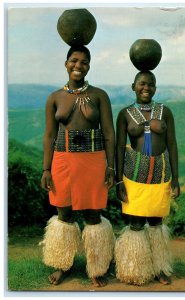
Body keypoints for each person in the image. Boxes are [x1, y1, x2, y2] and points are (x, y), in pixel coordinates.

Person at [40, 44, 115, 287]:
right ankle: (63, 265)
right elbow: (50, 136)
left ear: (89, 66)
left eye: (83, 62)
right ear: (66, 63)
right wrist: (46, 169)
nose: (78, 65)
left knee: (93, 214)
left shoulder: (100, 95)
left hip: (93, 160)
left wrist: (110, 167)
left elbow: (109, 133)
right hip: (62, 160)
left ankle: (97, 267)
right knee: (64, 213)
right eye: (74, 60)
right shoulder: (54, 98)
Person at [115, 70, 180, 286]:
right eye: (142, 83)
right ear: (133, 85)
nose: (146, 88)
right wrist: (118, 181)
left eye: (151, 84)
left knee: (156, 222)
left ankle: (159, 268)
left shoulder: (165, 112)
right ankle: (135, 270)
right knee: (135, 223)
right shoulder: (125, 114)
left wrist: (177, 180)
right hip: (133, 175)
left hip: (161, 174)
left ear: (155, 87)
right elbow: (118, 148)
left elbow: (172, 145)